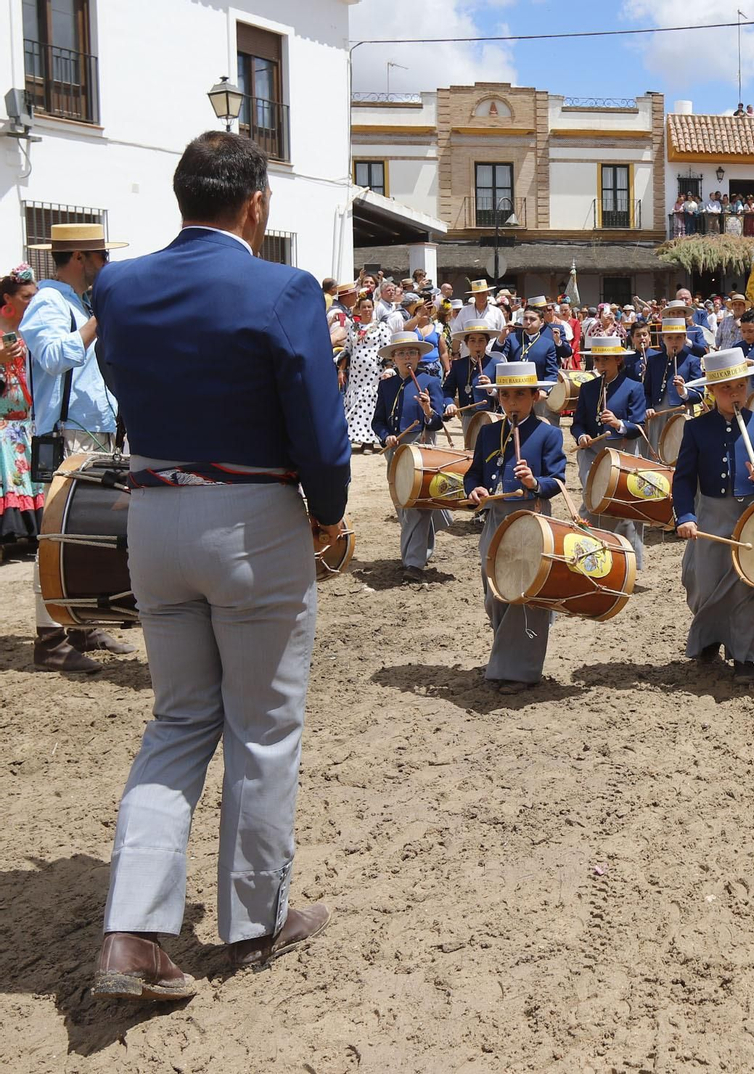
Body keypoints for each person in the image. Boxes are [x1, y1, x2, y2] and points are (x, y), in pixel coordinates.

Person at [89, 131, 349, 999]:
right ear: (256, 206)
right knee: (263, 728)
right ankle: (255, 921)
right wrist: (327, 512)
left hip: (155, 516)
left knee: (176, 723)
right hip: (251, 520)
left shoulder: (118, 285)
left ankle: (131, 935)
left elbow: (122, 382)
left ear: (180, 197)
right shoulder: (283, 287)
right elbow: (318, 425)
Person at [19, 222, 131, 673]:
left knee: (87, 530)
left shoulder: (75, 302)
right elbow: (52, 356)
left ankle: (81, 622)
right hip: (65, 433)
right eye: (101, 255)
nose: (106, 265)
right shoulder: (47, 301)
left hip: (89, 433)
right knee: (55, 536)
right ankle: (49, 639)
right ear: (82, 258)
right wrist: (98, 323)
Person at [672, 348, 754, 687]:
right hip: (708, 513)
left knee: (748, 589)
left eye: (740, 386)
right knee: (701, 582)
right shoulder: (696, 429)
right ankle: (708, 636)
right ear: (711, 391)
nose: (734, 394)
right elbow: (683, 479)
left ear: (748, 385)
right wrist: (687, 515)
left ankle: (744, 656)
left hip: (750, 515)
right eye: (726, 389)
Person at [464, 361, 566, 694]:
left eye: (519, 395)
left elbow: (558, 481)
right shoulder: (488, 432)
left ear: (536, 396)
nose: (511, 402)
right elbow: (473, 474)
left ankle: (520, 671)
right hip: (495, 520)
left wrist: (535, 481)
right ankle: (508, 656)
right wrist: (475, 490)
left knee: (525, 591)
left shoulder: (549, 433)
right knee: (495, 592)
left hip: (532, 519)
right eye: (505, 395)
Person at [373, 331, 449, 583]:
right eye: (401, 353)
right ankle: (418, 552)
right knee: (403, 506)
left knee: (417, 506)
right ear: (393, 358)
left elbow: (437, 422)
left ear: (419, 357)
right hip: (395, 450)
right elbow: (378, 421)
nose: (407, 357)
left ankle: (413, 562)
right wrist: (386, 437)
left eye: (412, 353)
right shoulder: (386, 385)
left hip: (421, 446)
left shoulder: (430, 381)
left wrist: (428, 410)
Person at [573, 335, 647, 565]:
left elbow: (639, 426)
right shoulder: (587, 388)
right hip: (592, 452)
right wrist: (581, 435)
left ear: (618, 360)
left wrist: (618, 424)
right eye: (597, 360)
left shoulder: (633, 387)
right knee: (592, 502)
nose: (600, 364)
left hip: (622, 452)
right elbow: (577, 423)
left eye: (606, 359)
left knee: (624, 508)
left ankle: (628, 562)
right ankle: (590, 556)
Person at [0, 268, 43, 547]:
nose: (32, 302)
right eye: (26, 297)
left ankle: (34, 526)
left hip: (29, 418)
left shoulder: (34, 332)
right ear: (8, 299)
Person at [341, 292, 387, 454]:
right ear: (358, 310)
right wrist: (341, 370)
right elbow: (347, 350)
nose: (366, 310)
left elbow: (386, 349)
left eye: (369, 307)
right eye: (363, 307)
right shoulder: (353, 327)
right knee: (355, 404)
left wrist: (388, 368)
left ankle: (369, 441)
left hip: (374, 374)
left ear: (373, 308)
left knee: (371, 404)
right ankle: (355, 437)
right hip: (356, 375)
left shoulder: (381, 327)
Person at [441, 319, 501, 439]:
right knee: (471, 446)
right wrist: (449, 404)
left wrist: (492, 389)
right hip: (467, 415)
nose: (477, 344)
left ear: (487, 343)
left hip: (490, 414)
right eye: (472, 340)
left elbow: (504, 394)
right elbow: (447, 389)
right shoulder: (459, 365)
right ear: (467, 343)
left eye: (481, 340)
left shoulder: (496, 364)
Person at [450, 279, 505, 356]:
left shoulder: (496, 312)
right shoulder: (464, 312)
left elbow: (501, 335)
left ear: (487, 293)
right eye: (478, 294)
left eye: (483, 293)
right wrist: (455, 353)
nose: (481, 296)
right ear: (473, 295)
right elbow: (457, 335)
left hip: (489, 356)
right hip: (467, 357)